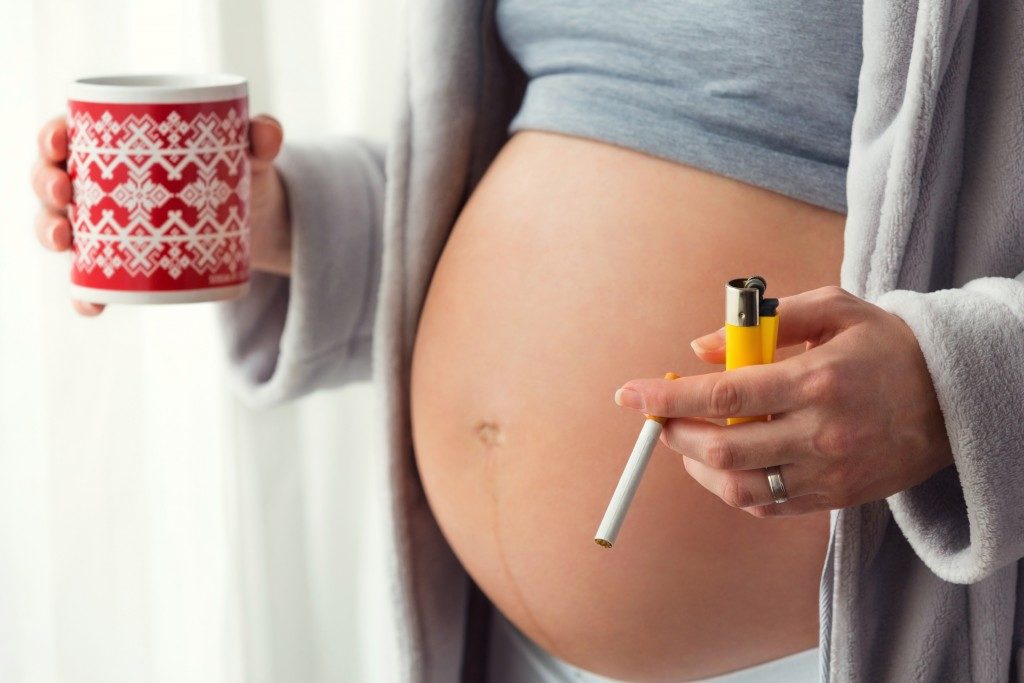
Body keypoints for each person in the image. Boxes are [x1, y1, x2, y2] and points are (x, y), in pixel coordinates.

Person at [30, 1, 1024, 682]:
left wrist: (947, 388)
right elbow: (544, 169)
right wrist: (283, 221)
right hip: (512, 650)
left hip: (846, 638)